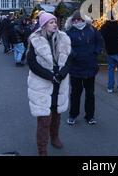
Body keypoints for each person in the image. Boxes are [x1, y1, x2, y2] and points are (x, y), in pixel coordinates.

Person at [27, 12, 71, 156]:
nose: (55, 24)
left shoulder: (63, 38)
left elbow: (69, 58)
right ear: (44, 25)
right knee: (44, 118)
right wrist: (50, 76)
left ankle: (55, 137)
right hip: (42, 83)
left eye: (55, 21)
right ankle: (42, 148)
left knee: (56, 114)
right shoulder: (35, 40)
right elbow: (32, 64)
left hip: (60, 82)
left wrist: (62, 73)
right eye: (51, 22)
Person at [65, 11, 103, 126]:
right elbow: (65, 47)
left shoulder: (92, 30)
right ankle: (73, 115)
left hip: (90, 67)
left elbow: (100, 41)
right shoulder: (68, 32)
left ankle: (90, 116)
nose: (77, 22)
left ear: (83, 20)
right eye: (74, 20)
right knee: (75, 94)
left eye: (79, 20)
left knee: (90, 94)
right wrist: (73, 55)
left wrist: (96, 52)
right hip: (75, 68)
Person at [100, 13, 118, 93]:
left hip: (110, 51)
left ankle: (110, 87)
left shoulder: (104, 27)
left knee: (111, 69)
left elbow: (100, 37)